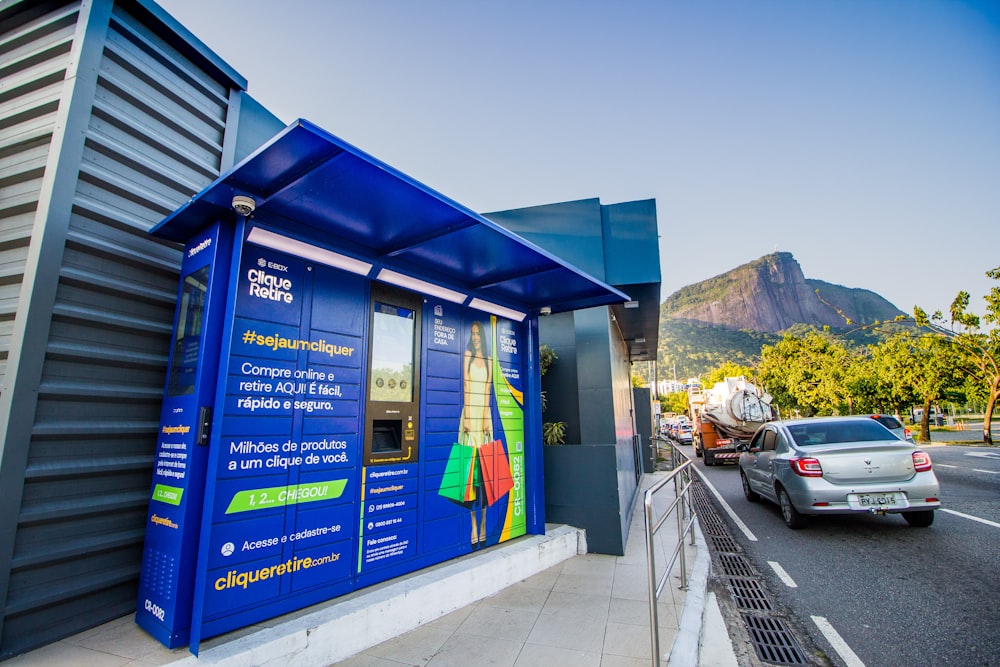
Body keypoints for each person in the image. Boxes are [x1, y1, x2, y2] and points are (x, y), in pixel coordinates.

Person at [462, 320, 492, 548]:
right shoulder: (467, 355)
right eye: (472, 334)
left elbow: (488, 392)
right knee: (469, 476)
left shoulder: (489, 360)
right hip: (470, 416)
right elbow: (466, 386)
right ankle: (473, 524)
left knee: (485, 475)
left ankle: (483, 525)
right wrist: (469, 420)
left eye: (477, 333)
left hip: (484, 417)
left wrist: (485, 419)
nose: (475, 337)